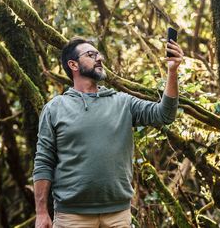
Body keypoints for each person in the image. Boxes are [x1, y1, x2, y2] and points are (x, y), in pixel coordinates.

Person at [33, 36, 183, 228]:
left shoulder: (122, 102)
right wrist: (41, 212)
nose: (99, 58)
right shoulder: (55, 108)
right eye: (90, 54)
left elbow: (164, 115)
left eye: (98, 53)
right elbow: (43, 161)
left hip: (118, 215)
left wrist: (172, 71)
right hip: (71, 216)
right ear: (73, 65)